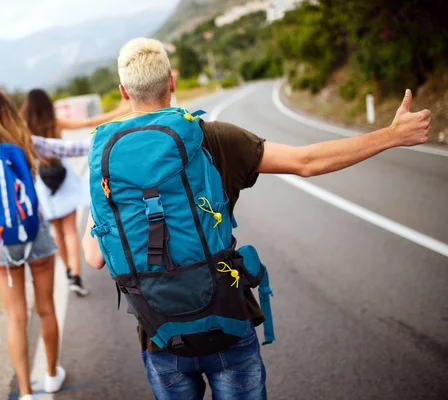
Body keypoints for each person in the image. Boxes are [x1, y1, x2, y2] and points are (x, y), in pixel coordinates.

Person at [81, 38, 431, 399]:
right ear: (171, 81)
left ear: (124, 91)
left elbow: (93, 257)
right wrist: (391, 136)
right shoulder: (211, 138)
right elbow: (306, 162)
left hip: (160, 338)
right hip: (227, 322)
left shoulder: (105, 162)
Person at [0, 88, 93, 399]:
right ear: (8, 112)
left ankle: (25, 390)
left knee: (17, 317)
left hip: (2, 243)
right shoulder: (22, 140)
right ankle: (51, 374)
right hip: (36, 235)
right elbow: (71, 148)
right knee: (45, 308)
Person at [21, 89, 130, 296]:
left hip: (42, 181)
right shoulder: (55, 121)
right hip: (63, 177)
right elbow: (88, 123)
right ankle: (77, 275)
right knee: (70, 230)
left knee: (58, 232)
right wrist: (119, 112)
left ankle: (69, 271)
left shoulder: (25, 127)